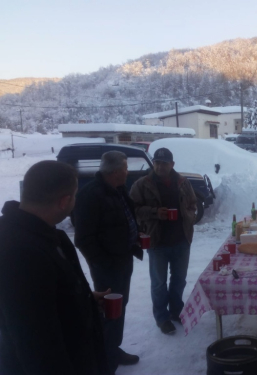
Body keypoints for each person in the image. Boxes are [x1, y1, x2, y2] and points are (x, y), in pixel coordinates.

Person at [0, 161, 110, 375]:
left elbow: (47, 300)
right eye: (75, 196)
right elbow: (36, 345)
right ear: (64, 201)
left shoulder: (41, 235)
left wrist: (84, 299)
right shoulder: (21, 252)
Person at [74, 151, 142, 373]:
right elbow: (83, 239)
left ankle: (113, 349)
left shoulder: (118, 189)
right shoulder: (90, 195)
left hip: (123, 260)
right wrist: (103, 262)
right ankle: (104, 356)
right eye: (125, 168)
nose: (127, 172)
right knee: (108, 311)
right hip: (107, 266)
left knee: (119, 308)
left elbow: (123, 220)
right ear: (114, 172)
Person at [130, 148, 197, 335]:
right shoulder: (142, 184)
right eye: (157, 162)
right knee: (159, 283)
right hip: (157, 242)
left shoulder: (183, 183)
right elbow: (133, 209)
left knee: (179, 280)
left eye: (164, 163)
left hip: (181, 240)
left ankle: (176, 311)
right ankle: (162, 317)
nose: (160, 166)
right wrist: (155, 213)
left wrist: (189, 217)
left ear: (172, 164)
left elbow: (193, 204)